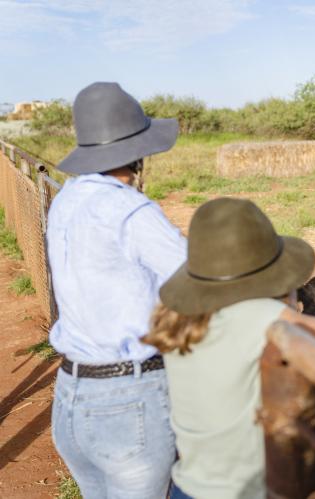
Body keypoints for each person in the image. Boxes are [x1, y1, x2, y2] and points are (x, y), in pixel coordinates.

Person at [144, 197, 315, 499]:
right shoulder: (256, 315)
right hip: (246, 491)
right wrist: (290, 311)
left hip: (189, 485)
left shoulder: (175, 317)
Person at [47, 82, 185, 498]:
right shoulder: (130, 209)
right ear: (138, 155)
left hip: (72, 393)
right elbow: (194, 278)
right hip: (129, 400)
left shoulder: (66, 200)